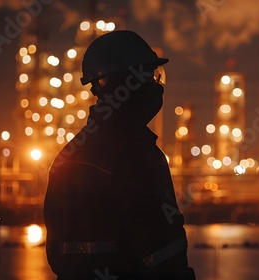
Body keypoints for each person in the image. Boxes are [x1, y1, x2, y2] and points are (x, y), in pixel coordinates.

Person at [44, 30, 195, 280]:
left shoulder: (68, 156)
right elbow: (162, 252)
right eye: (147, 76)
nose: (155, 85)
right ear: (125, 83)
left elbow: (60, 256)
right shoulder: (136, 154)